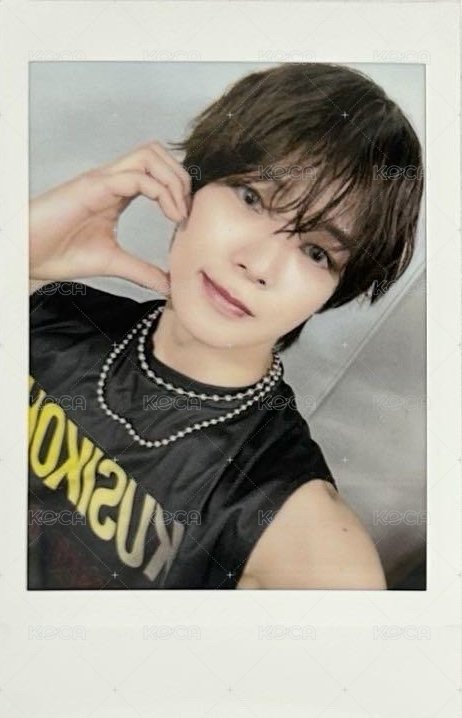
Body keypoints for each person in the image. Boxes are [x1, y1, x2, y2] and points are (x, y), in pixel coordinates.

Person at [28, 62, 423, 590]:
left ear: (336, 290)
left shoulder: (293, 522)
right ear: (191, 184)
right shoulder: (48, 310)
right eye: (252, 198)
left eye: (315, 252)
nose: (258, 265)